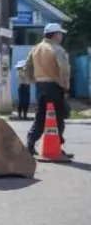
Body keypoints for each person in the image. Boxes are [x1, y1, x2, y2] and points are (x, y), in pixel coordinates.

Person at [23, 23, 73, 158]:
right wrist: (65, 86)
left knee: (40, 116)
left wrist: (33, 80)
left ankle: (30, 143)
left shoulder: (35, 49)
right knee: (58, 117)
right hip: (55, 86)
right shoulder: (57, 49)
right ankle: (57, 146)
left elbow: (27, 67)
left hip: (40, 86)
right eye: (60, 34)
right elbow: (64, 69)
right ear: (55, 34)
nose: (61, 36)